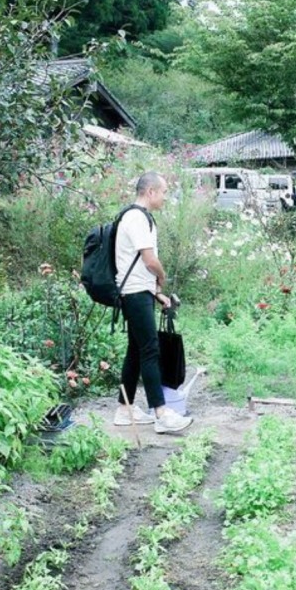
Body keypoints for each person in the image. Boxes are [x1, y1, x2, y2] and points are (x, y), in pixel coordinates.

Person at [114, 172, 192, 435]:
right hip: (135, 293)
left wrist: (156, 292)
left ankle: (124, 409)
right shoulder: (136, 217)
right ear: (150, 192)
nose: (165, 197)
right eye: (164, 191)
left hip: (138, 291)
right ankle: (161, 413)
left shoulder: (138, 217)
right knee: (150, 350)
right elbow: (149, 260)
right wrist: (162, 276)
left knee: (136, 350)